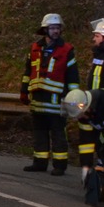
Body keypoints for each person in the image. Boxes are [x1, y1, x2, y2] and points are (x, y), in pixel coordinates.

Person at [19, 12, 79, 175]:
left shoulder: (67, 50)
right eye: (52, 28)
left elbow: (73, 77)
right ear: (45, 30)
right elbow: (27, 72)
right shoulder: (34, 48)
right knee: (39, 133)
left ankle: (60, 165)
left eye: (58, 28)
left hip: (56, 101)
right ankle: (40, 162)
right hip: (37, 99)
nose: (56, 31)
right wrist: (24, 91)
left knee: (58, 134)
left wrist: (72, 98)